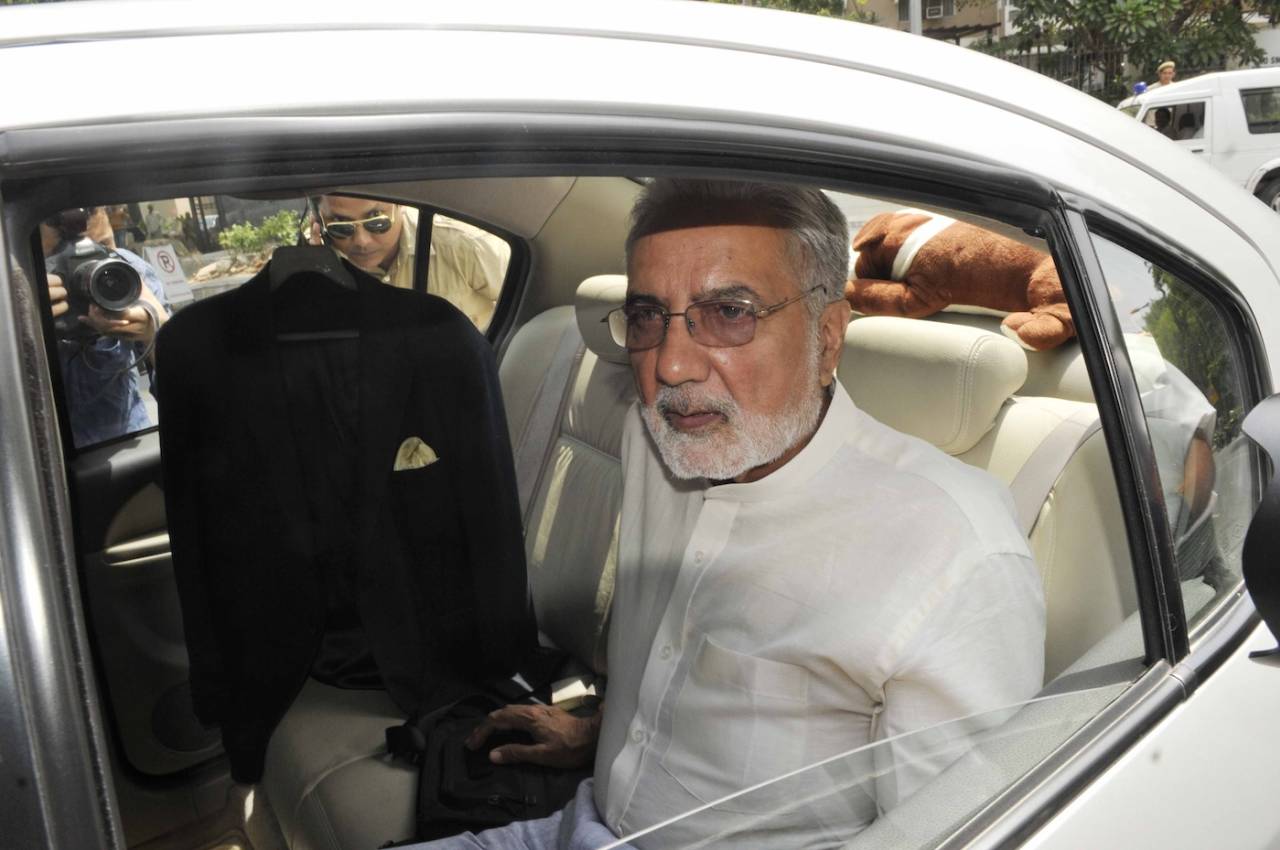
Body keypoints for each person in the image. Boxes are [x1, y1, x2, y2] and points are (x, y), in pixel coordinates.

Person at [418, 180, 1046, 848]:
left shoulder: (954, 550)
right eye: (649, 316)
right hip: (574, 821)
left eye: (730, 311)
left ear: (828, 336)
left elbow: (951, 834)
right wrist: (601, 732)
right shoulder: (661, 437)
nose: (671, 364)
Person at [43, 206, 171, 448]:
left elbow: (185, 394)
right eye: (57, 255)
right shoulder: (12, 286)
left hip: (129, 443)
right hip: (43, 458)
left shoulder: (128, 269)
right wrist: (21, 322)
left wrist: (155, 331)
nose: (91, 265)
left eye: (102, 247)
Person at [309, 194, 510, 329]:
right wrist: (319, 278)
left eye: (377, 220)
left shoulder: (464, 245)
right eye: (341, 227)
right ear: (319, 223)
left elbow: (532, 310)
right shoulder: (325, 265)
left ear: (401, 204)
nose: (362, 241)